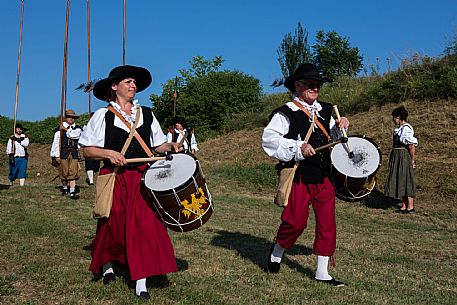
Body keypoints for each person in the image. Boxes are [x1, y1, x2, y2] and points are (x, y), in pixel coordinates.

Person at [78, 65, 181, 300]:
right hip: (113, 176)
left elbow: (157, 146)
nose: (133, 85)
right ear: (114, 87)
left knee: (145, 224)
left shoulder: (146, 113)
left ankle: (141, 279)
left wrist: (171, 146)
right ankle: (108, 265)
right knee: (112, 223)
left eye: (134, 82)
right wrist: (108, 153)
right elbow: (87, 151)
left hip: (143, 176)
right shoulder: (102, 115)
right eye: (127, 82)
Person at [262, 63, 349, 286]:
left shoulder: (326, 110)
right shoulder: (286, 112)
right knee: (295, 222)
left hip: (323, 175)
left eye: (318, 85)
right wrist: (298, 147)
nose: (316, 88)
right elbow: (270, 140)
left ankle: (322, 272)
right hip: (298, 174)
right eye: (311, 84)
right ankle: (278, 248)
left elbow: (335, 138)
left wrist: (341, 126)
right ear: (298, 85)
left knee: (327, 222)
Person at [384, 105, 418, 213]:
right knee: (400, 179)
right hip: (397, 157)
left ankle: (410, 207)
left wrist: (412, 160)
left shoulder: (406, 129)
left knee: (406, 179)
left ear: (399, 117)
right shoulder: (398, 129)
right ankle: (404, 206)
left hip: (403, 157)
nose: (393, 119)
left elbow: (411, 146)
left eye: (394, 117)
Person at [50, 109, 83, 199]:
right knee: (63, 173)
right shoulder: (59, 129)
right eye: (69, 117)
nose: (71, 119)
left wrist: (64, 129)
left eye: (73, 117)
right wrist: (56, 155)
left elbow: (73, 135)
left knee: (73, 172)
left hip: (73, 153)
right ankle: (65, 188)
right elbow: (56, 142)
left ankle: (72, 192)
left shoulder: (78, 129)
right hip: (63, 153)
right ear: (66, 118)